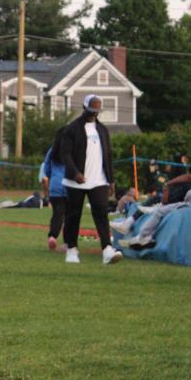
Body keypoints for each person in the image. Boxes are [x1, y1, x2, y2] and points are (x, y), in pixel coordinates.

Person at [59, 95, 122, 264]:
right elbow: (65, 154)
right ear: (84, 107)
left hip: (99, 180)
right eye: (92, 110)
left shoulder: (102, 130)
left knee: (101, 212)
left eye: (97, 110)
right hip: (75, 181)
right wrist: (75, 173)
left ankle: (107, 250)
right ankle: (72, 250)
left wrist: (111, 180)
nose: (94, 113)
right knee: (73, 215)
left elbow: (108, 156)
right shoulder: (72, 129)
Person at [39, 129, 67, 251]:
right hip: (69, 185)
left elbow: (46, 167)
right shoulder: (72, 148)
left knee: (57, 213)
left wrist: (52, 176)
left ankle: (52, 236)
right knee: (70, 216)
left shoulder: (52, 150)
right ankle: (67, 242)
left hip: (55, 186)